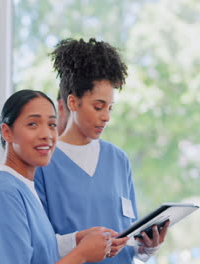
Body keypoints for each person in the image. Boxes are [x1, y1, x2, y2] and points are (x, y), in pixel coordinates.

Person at [34, 38, 170, 264]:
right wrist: (84, 244)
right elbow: (38, 245)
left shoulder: (118, 160)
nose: (106, 116)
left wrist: (148, 248)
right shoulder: (43, 161)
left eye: (110, 108)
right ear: (72, 102)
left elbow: (129, 243)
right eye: (98, 107)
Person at [0, 89, 114, 264]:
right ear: (7, 132)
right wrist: (81, 254)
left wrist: (77, 239)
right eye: (33, 124)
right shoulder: (3, 191)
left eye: (52, 125)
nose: (46, 135)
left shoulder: (23, 185)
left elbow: (37, 248)